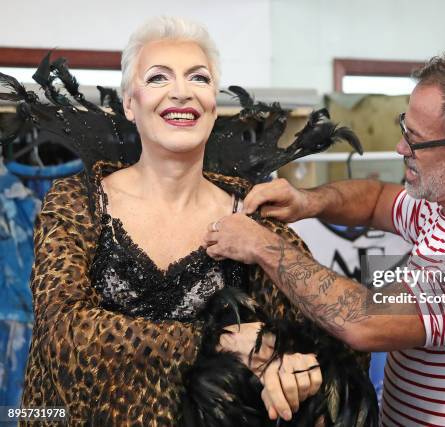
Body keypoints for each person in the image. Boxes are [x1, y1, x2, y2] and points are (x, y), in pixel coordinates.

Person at [205, 48, 445, 426]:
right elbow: (377, 199)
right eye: (404, 128)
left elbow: (366, 320)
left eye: (416, 140)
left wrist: (263, 246)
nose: (401, 148)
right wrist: (307, 201)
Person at [20, 16, 327, 425]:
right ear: (130, 103)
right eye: (159, 78)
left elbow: (320, 332)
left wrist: (295, 369)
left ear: (214, 103)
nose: (181, 92)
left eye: (198, 79)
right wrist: (218, 342)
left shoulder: (254, 214)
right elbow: (64, 334)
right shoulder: (76, 203)